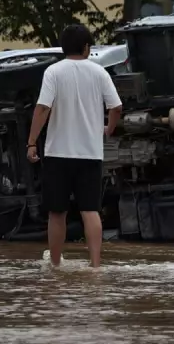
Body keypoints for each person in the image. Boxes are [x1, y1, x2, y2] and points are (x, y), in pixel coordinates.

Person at [26, 24, 123, 267]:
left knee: (57, 212)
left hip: (58, 153)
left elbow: (42, 108)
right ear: (87, 47)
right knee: (90, 210)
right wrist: (108, 129)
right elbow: (116, 107)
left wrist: (31, 142)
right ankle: (95, 265)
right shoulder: (99, 72)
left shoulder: (53, 72)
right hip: (90, 154)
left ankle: (56, 264)